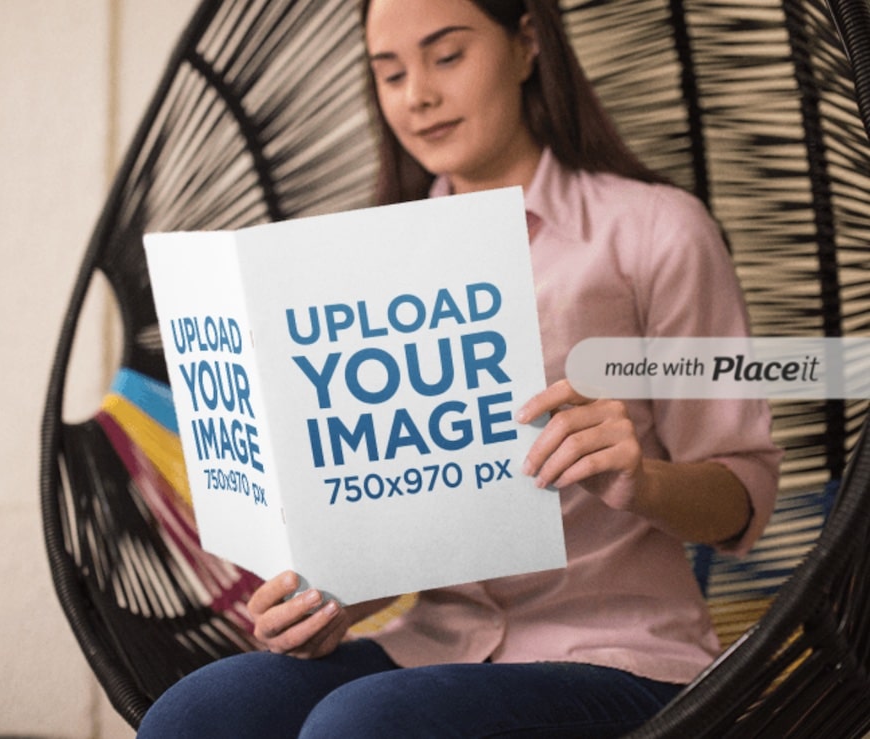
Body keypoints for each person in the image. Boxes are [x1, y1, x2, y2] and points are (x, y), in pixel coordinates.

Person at [138, 0, 782, 736]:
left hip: (624, 657)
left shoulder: (657, 232)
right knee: (194, 715)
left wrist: (644, 478)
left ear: (526, 45)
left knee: (361, 725)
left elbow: (745, 496)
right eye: (389, 73)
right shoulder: (365, 268)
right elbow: (402, 509)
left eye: (447, 56)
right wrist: (332, 600)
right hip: (433, 646)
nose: (418, 95)